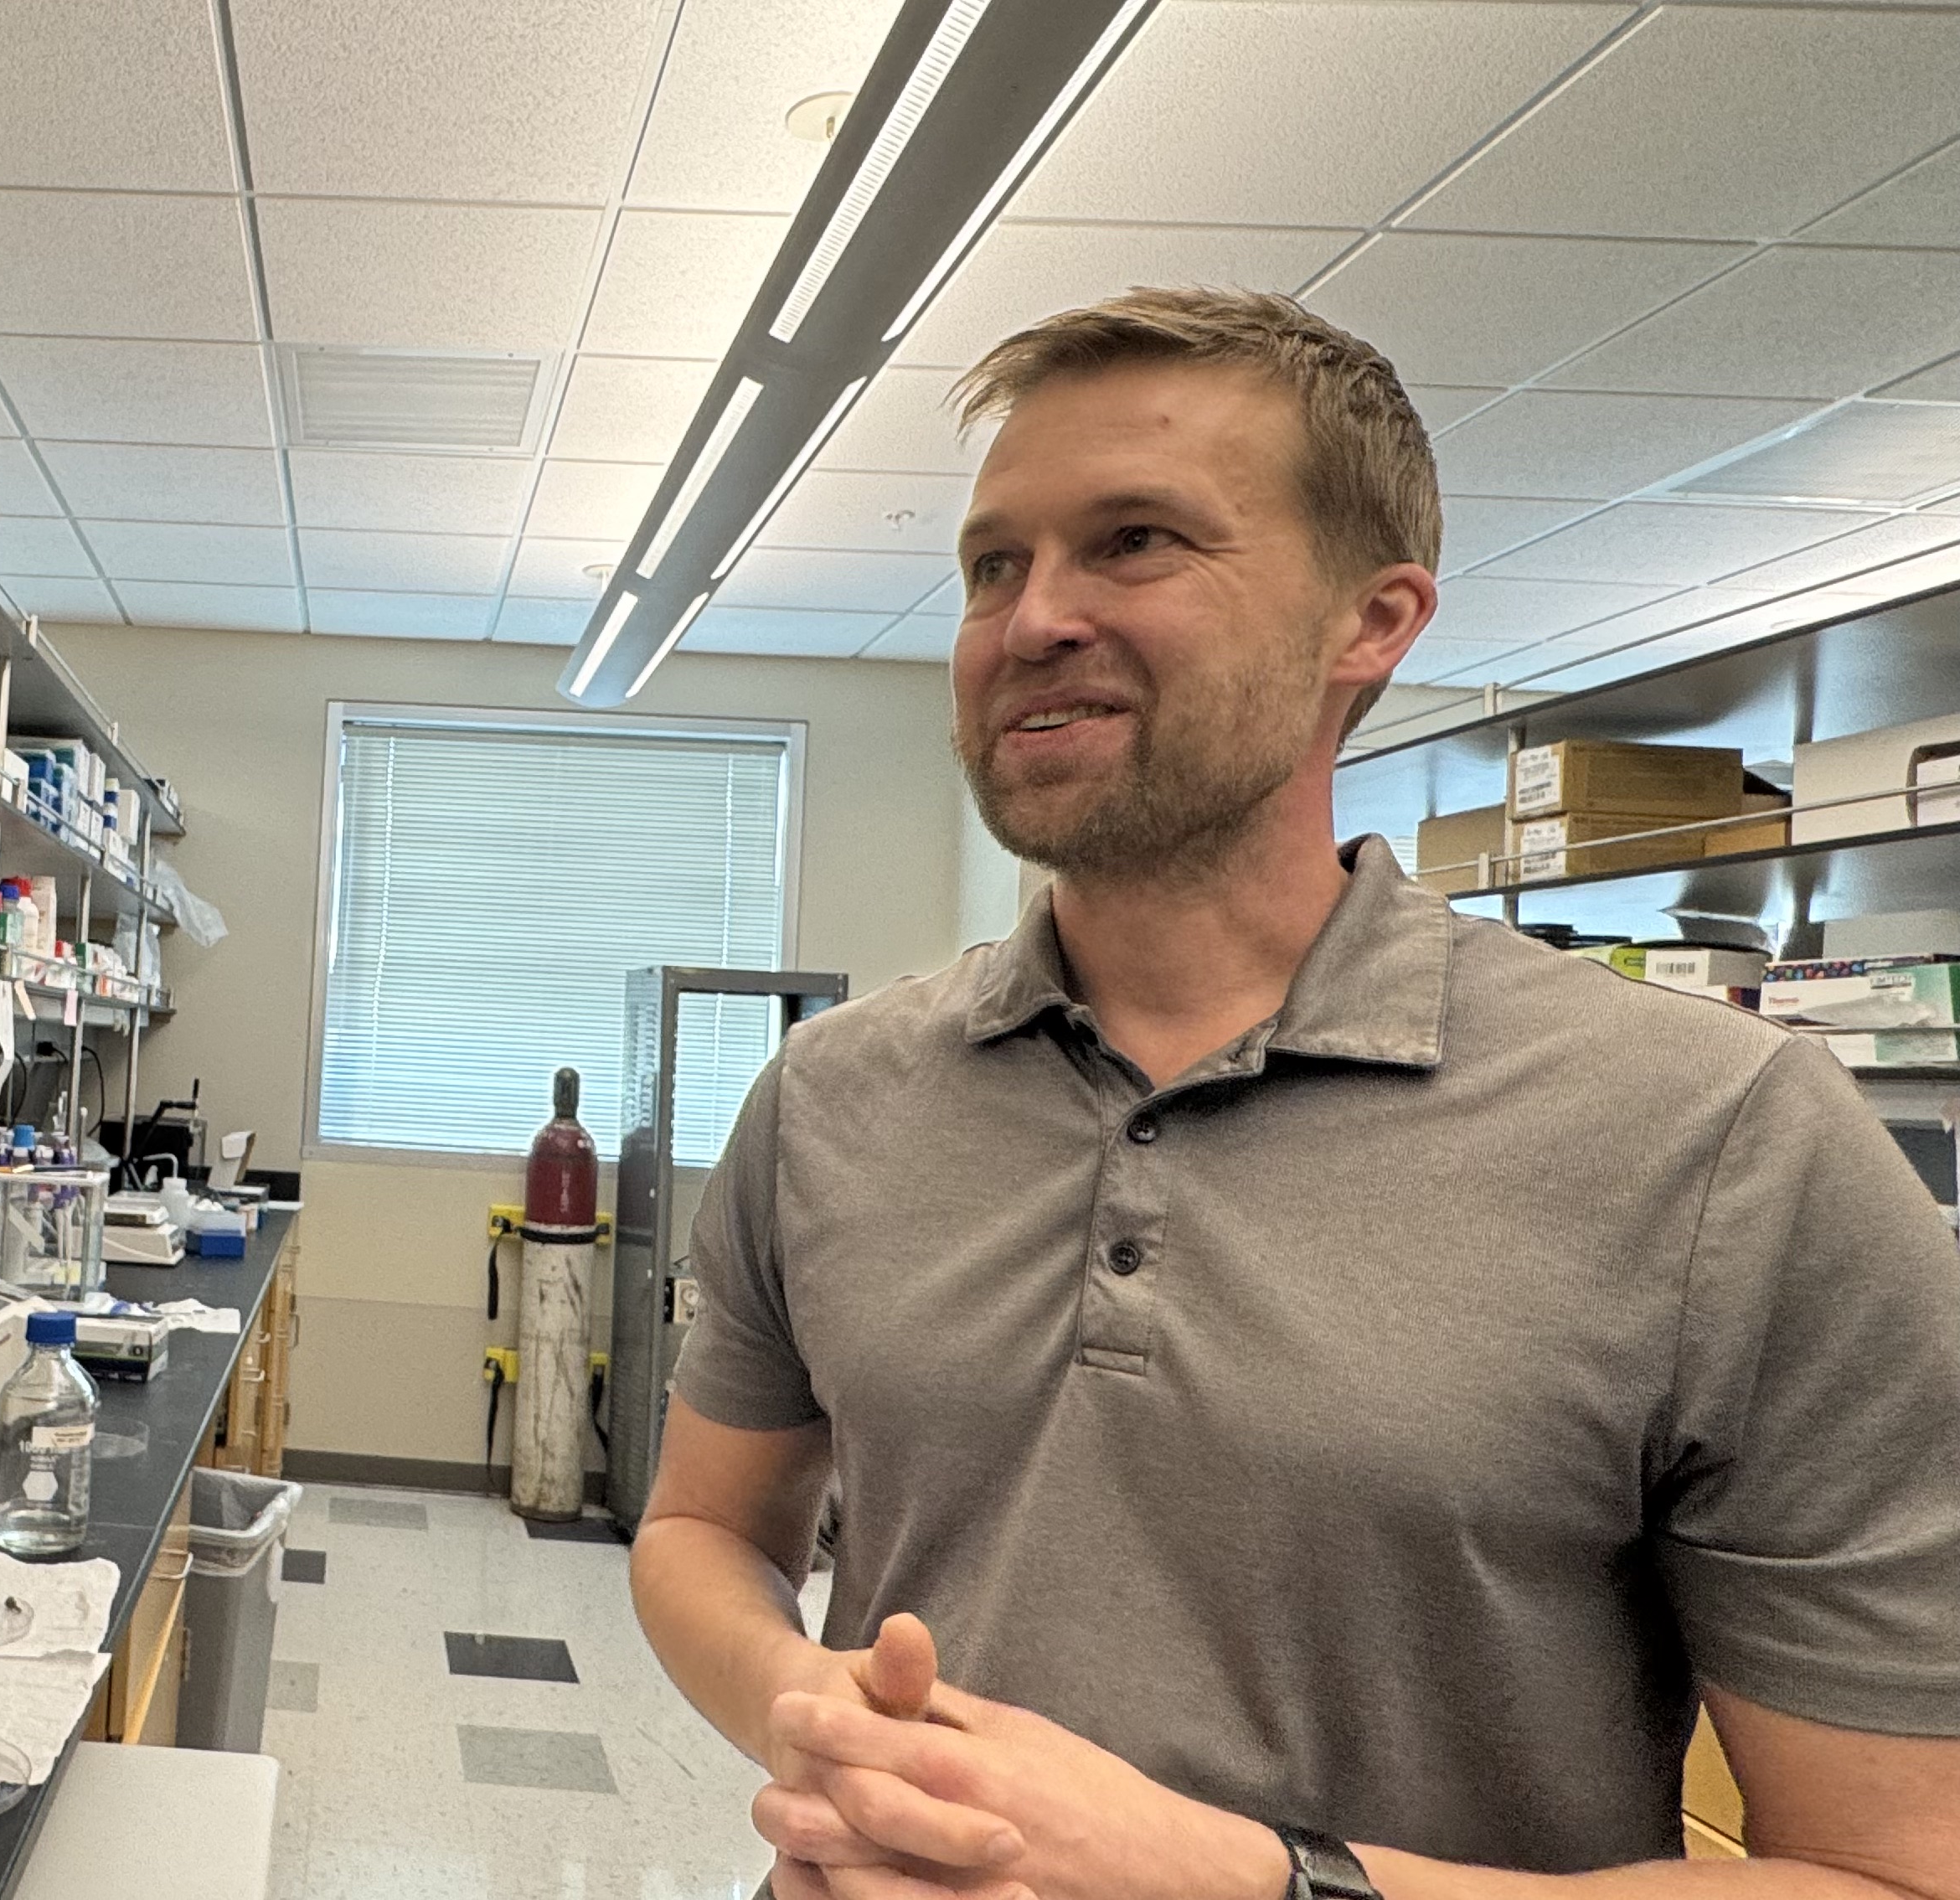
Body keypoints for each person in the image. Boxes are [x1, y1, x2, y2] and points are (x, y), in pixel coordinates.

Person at [628, 287, 1960, 1900]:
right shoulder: (836, 1096)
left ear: (1372, 621)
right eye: (993, 563)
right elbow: (706, 1532)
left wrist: (1249, 1879)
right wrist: (827, 1719)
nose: (1031, 616)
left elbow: (1895, 1870)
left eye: (1135, 542)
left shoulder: (1727, 1144)